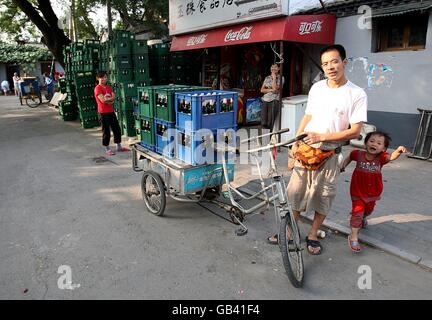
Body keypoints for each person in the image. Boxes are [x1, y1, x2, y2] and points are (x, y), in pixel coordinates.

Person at [267, 44, 368, 256]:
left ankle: (313, 235)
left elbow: (355, 131)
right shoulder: (317, 88)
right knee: (295, 192)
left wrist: (323, 136)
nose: (330, 67)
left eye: (334, 61)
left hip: (331, 153)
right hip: (306, 147)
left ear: (344, 63)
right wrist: (295, 143)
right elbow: (308, 116)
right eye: (325, 63)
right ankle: (290, 231)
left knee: (324, 195)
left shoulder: (357, 94)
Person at [340, 131, 406, 252]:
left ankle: (362, 218)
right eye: (371, 141)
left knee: (368, 210)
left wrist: (398, 151)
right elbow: (349, 157)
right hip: (357, 191)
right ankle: (354, 236)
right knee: (357, 211)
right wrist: (343, 165)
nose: (374, 144)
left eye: (379, 143)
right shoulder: (357, 154)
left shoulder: (381, 158)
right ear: (365, 143)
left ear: (384, 148)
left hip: (373, 192)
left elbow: (390, 157)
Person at [94, 71, 129, 155]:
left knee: (117, 128)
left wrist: (109, 100)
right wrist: (110, 100)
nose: (104, 79)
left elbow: (114, 96)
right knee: (106, 131)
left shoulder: (109, 87)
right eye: (102, 77)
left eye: (105, 77)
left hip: (111, 111)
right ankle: (107, 148)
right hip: (103, 112)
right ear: (98, 78)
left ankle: (119, 146)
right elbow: (103, 100)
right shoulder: (98, 88)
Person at [260, 64, 284, 130]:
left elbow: (275, 89)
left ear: (278, 69)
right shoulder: (267, 78)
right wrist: (270, 90)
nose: (273, 68)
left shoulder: (281, 78)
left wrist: (274, 78)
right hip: (265, 100)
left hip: (274, 101)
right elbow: (262, 90)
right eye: (272, 67)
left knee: (270, 123)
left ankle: (268, 139)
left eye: (275, 67)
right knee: (263, 122)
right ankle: (264, 139)